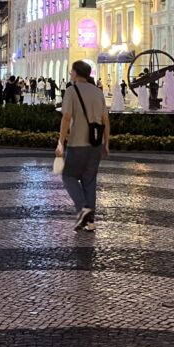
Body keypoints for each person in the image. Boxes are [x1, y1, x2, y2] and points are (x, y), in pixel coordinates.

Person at [55, 60, 110, 232]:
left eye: (71, 71)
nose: (70, 74)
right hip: (96, 144)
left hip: (77, 142)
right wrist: (106, 143)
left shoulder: (71, 91)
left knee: (68, 176)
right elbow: (106, 120)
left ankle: (82, 208)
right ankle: (90, 221)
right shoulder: (98, 91)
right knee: (89, 180)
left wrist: (60, 142)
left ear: (76, 73)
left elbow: (66, 117)